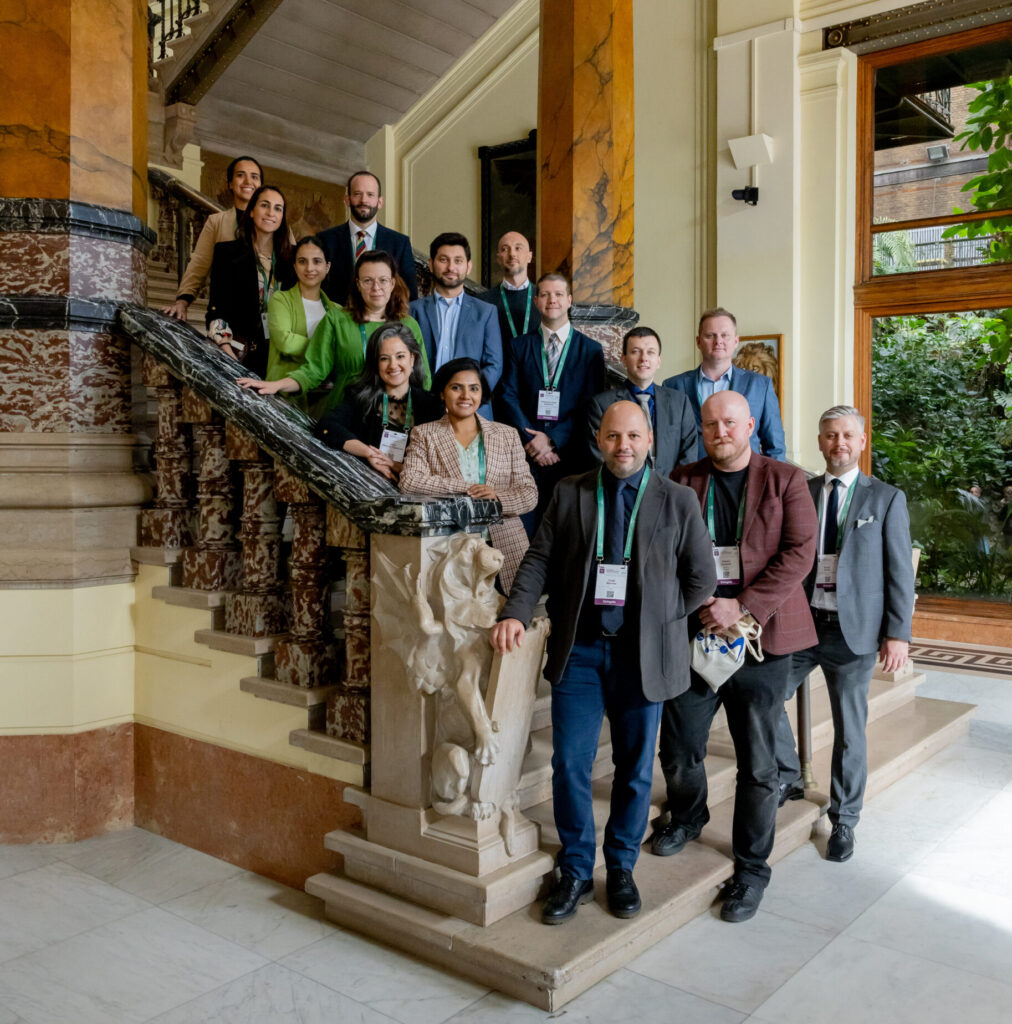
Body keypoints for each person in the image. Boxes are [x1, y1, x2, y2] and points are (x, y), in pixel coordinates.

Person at [491, 400, 716, 924]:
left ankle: (620, 865)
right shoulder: (571, 491)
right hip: (582, 652)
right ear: (599, 439)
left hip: (645, 656)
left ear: (650, 439)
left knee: (635, 770)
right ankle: (574, 869)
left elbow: (701, 578)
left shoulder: (677, 500)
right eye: (614, 436)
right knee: (569, 764)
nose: (624, 446)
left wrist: (661, 618)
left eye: (634, 436)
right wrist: (517, 612)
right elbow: (539, 558)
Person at [655, 390, 817, 923]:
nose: (720, 431)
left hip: (761, 641)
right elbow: (662, 548)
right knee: (678, 748)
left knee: (758, 763)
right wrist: (702, 601)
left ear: (750, 425)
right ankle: (687, 814)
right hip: (696, 632)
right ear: (701, 430)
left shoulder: (785, 479)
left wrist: (742, 605)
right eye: (710, 424)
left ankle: (750, 868)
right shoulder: (683, 478)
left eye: (729, 423)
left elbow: (799, 553)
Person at [775, 405, 915, 863]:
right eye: (830, 436)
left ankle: (845, 820)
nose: (839, 444)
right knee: (764, 698)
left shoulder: (886, 498)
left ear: (861, 442)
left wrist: (898, 633)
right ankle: (788, 774)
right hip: (803, 624)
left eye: (847, 436)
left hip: (854, 632)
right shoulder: (804, 489)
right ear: (820, 442)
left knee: (849, 730)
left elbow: (899, 572)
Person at [236, 250, 429, 417]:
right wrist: (276, 385)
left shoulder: (408, 325)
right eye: (368, 280)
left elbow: (423, 378)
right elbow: (313, 371)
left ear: (393, 283)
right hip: (347, 416)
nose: (376, 288)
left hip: (396, 418)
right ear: (358, 284)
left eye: (383, 280)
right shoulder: (337, 320)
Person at [399, 358, 536, 592]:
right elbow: (409, 482)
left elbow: (529, 494)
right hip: (448, 550)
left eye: (474, 388)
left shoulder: (507, 435)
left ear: (482, 394)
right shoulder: (424, 434)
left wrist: (497, 497)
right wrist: (467, 489)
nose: (465, 395)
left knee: (505, 622)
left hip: (504, 548)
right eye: (456, 387)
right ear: (442, 393)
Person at [496, 272, 605, 532]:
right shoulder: (518, 346)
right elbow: (507, 395)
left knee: (568, 531)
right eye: (545, 294)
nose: (551, 300)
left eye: (558, 294)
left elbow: (592, 405)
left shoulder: (591, 350)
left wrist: (553, 439)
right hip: (526, 456)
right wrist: (533, 441)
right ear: (536, 301)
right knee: (527, 531)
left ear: (569, 300)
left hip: (570, 456)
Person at [315, 322, 443, 481]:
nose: (393, 365)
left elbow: (440, 467)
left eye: (400, 356)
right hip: (366, 486)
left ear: (412, 358)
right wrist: (369, 453)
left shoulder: (432, 405)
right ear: (375, 364)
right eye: (384, 358)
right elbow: (326, 425)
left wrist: (397, 466)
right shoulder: (360, 398)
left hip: (415, 490)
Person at [663, 307, 786, 461]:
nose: (718, 341)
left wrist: (771, 484)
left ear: (736, 341)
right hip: (690, 480)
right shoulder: (673, 386)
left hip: (746, 480)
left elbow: (775, 448)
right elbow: (666, 445)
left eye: (725, 335)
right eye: (710, 335)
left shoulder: (760, 385)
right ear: (698, 342)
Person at [205, 184, 296, 379]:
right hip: (238, 354)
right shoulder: (227, 252)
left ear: (282, 217)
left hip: (279, 358)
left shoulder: (291, 259)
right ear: (252, 211)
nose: (271, 212)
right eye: (265, 205)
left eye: (278, 208)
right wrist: (226, 350)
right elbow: (217, 308)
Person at [163, 155, 266, 321]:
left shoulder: (276, 224)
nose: (248, 181)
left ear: (261, 186)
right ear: (230, 184)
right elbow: (199, 264)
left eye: (254, 177)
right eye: (240, 175)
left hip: (268, 320)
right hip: (225, 319)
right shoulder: (216, 222)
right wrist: (182, 301)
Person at [410, 232, 502, 417]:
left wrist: (470, 396)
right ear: (430, 264)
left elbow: (494, 364)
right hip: (424, 406)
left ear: (468, 267)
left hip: (472, 408)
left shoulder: (486, 312)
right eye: (443, 260)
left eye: (458, 261)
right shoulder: (413, 311)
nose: (451, 267)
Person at [587, 326, 698, 477]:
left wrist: (673, 489)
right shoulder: (602, 405)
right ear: (624, 359)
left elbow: (689, 452)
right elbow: (599, 455)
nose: (644, 358)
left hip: (670, 491)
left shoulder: (680, 402)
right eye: (635, 351)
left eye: (650, 352)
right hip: (621, 490)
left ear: (658, 361)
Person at [318, 170, 418, 305]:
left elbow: (409, 295)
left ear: (380, 202)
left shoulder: (399, 243)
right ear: (347, 200)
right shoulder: (325, 240)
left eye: (370, 195)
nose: (363, 200)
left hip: (384, 322)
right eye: (357, 194)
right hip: (337, 320)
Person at [263, 235, 336, 411]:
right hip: (284, 396)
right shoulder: (280, 300)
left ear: (327, 267)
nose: (309, 268)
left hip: (325, 398)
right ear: (295, 267)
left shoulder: (338, 311)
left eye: (317, 261)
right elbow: (285, 342)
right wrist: (326, 352)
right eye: (302, 261)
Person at [479, 231, 535, 344]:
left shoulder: (545, 297)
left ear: (529, 256)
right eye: (505, 249)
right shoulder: (483, 301)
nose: (512, 254)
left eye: (518, 248)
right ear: (498, 259)